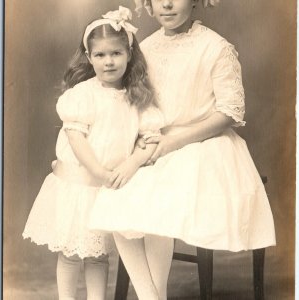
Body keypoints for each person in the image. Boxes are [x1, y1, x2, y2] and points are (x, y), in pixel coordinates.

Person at [89, 1, 276, 299]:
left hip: (205, 142)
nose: (166, 4)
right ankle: (153, 295)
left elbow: (228, 112)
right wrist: (140, 140)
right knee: (115, 196)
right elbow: (137, 104)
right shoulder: (144, 48)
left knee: (163, 198)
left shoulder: (215, 47)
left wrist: (174, 142)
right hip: (155, 141)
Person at [22, 6, 163, 300]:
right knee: (72, 252)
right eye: (100, 55)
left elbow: (149, 139)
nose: (108, 62)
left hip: (110, 187)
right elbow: (77, 139)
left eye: (116, 53)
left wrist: (132, 164)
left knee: (99, 256)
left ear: (129, 54)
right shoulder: (82, 95)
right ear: (89, 57)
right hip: (80, 185)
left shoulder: (137, 96)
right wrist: (99, 172)